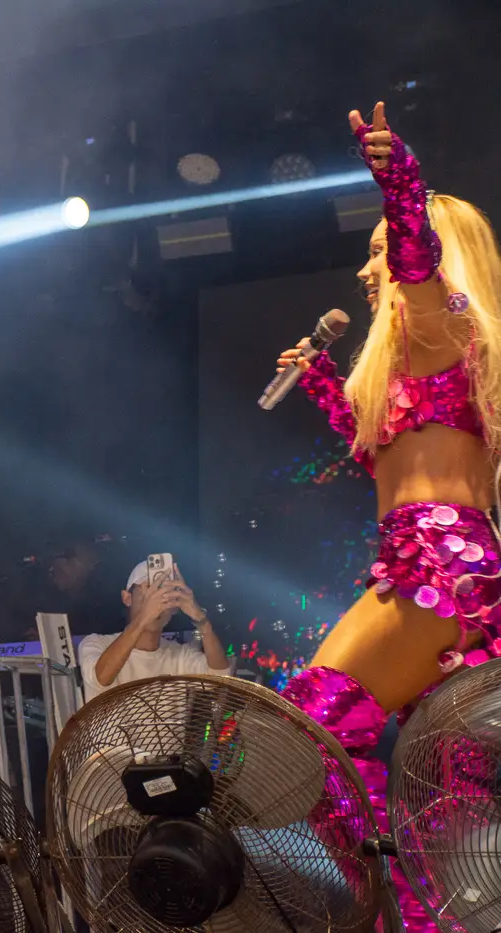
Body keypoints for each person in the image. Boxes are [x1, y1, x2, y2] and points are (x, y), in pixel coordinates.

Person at [275, 101, 501, 932]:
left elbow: (416, 258)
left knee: (308, 730)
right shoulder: (432, 360)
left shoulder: (443, 325)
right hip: (451, 573)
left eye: (378, 252)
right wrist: (326, 388)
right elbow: (390, 459)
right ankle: (425, 916)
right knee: (442, 802)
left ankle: (390, 913)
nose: (369, 270)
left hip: (436, 568)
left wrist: (401, 185)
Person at [77, 560, 231, 702]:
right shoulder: (96, 643)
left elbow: (220, 677)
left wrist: (201, 620)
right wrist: (143, 618)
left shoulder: (179, 655)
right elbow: (100, 679)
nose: (157, 603)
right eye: (149, 592)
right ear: (127, 598)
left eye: (165, 595)